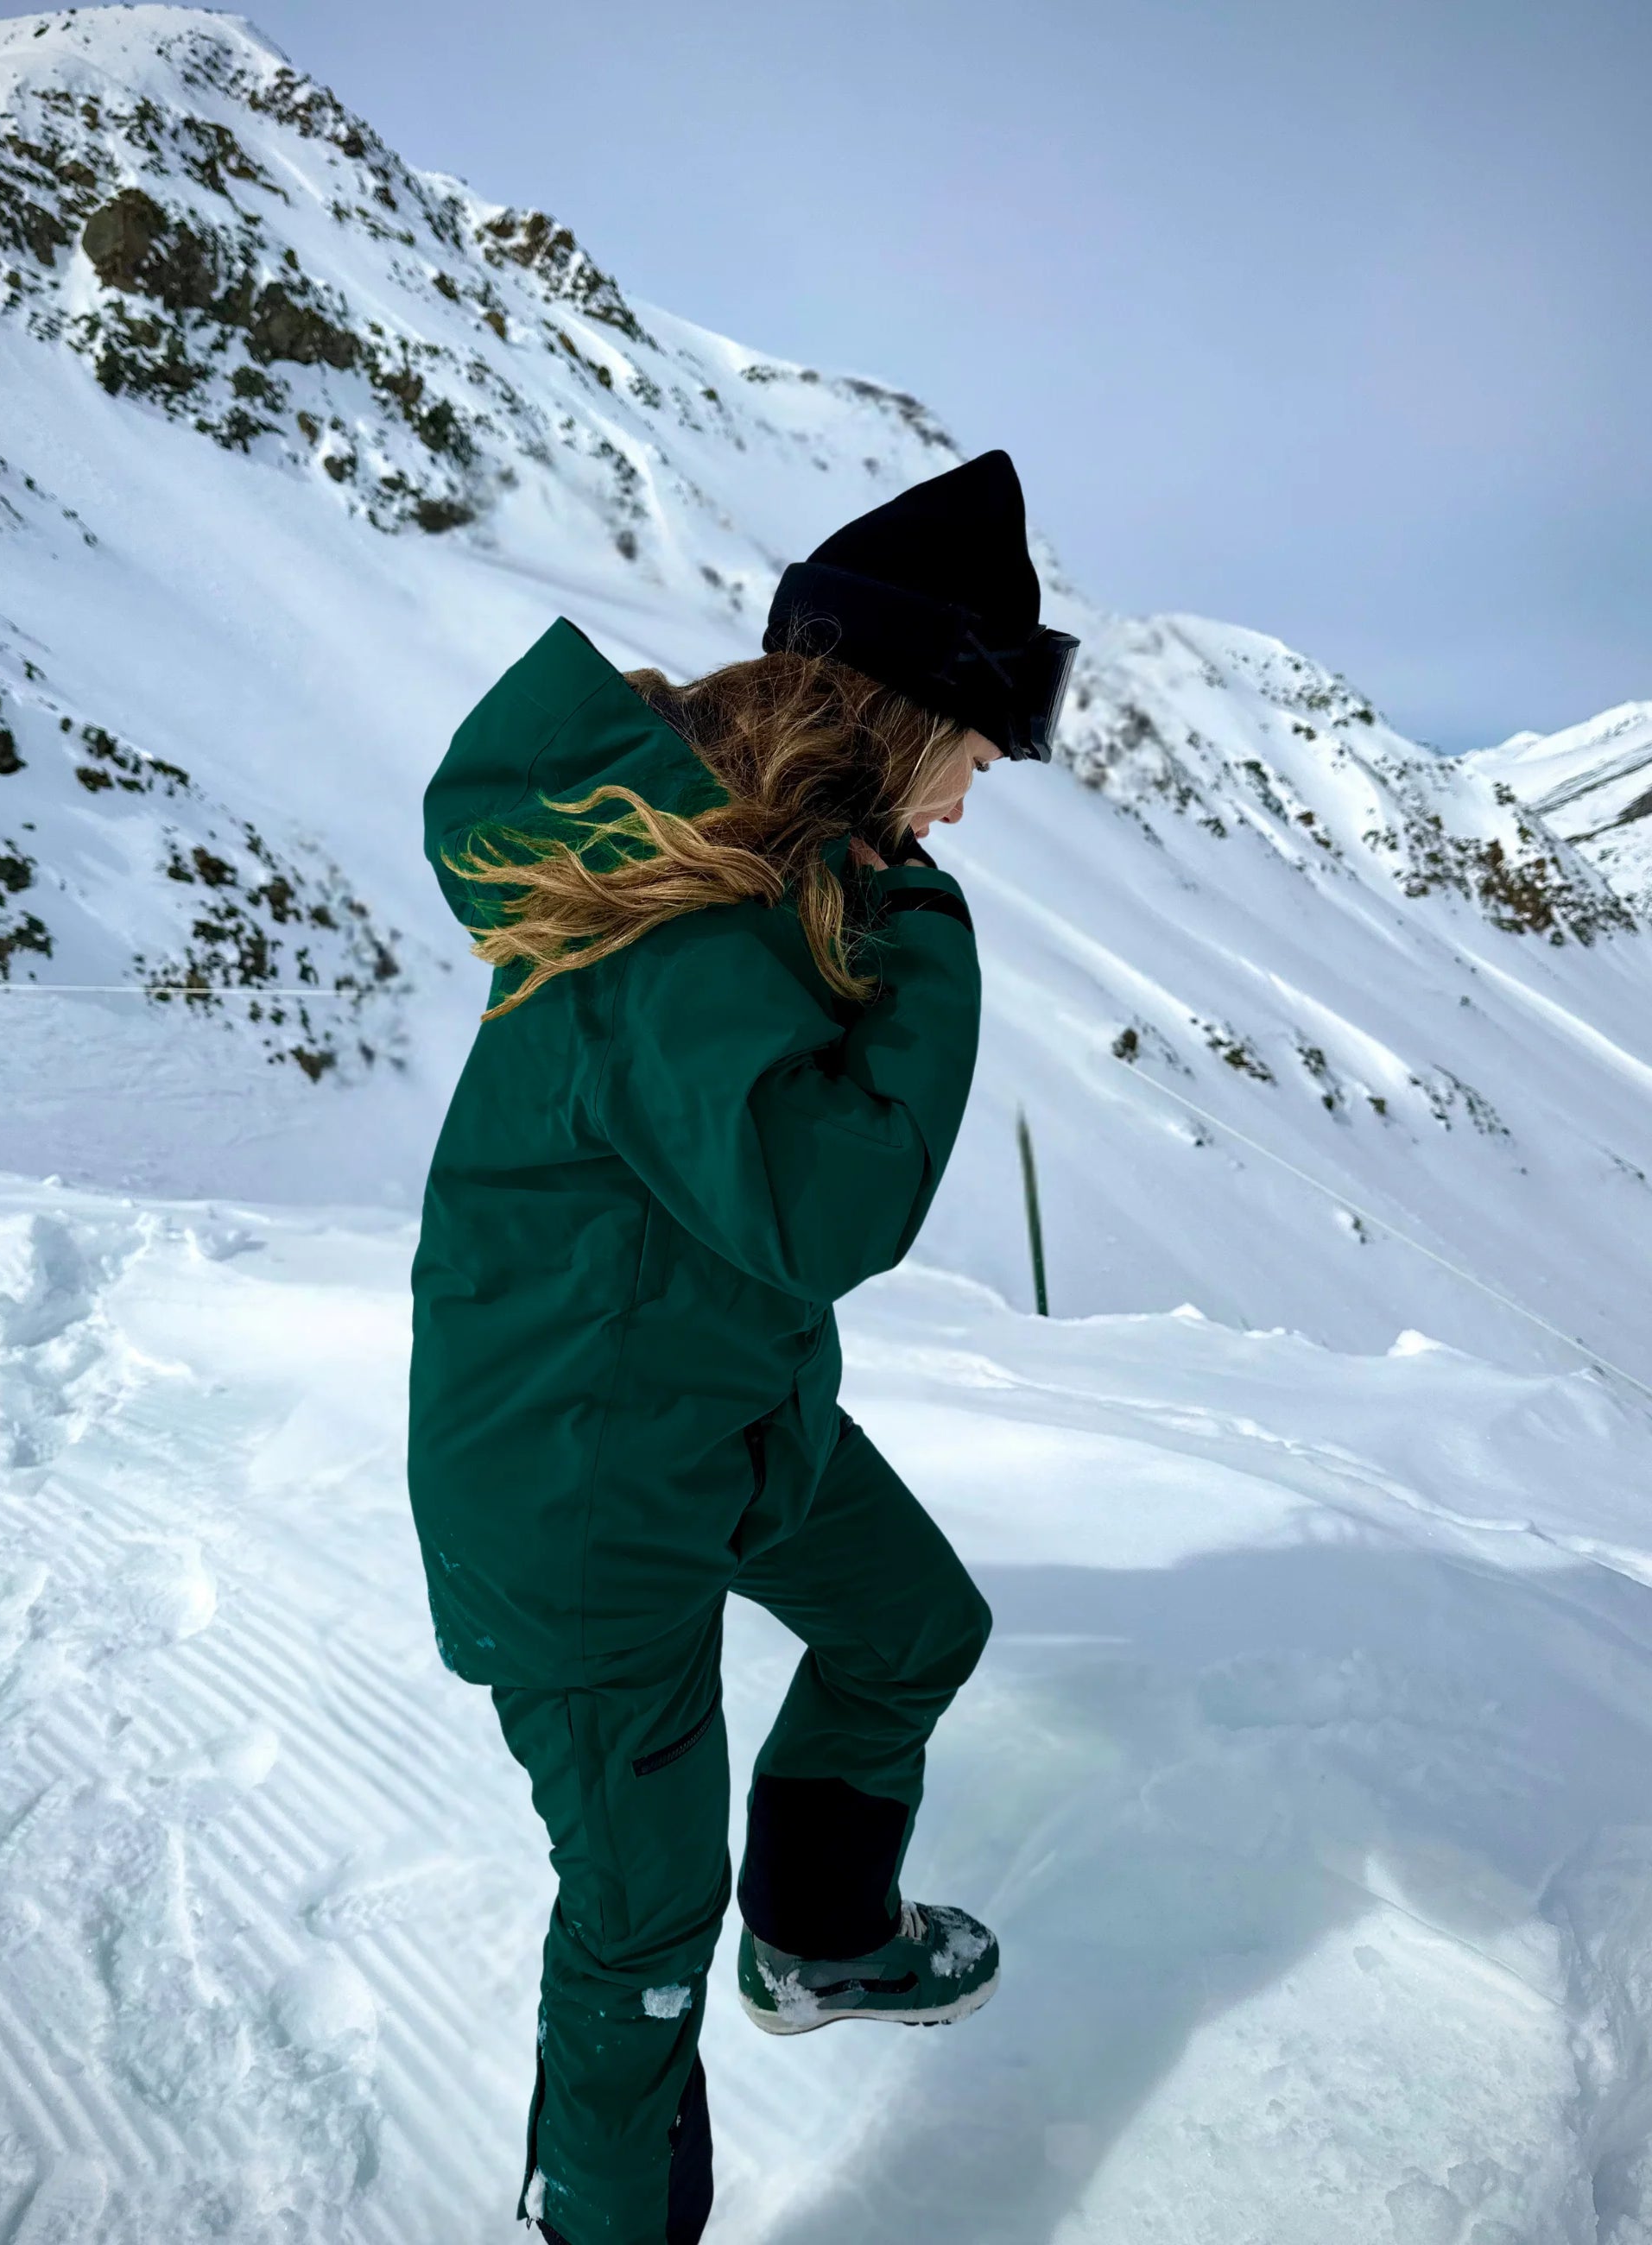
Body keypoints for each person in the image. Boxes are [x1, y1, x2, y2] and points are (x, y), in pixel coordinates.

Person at [407, 450, 1079, 2245]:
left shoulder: (753, 862)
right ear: (904, 719)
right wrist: (928, 942)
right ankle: (608, 2220)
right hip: (572, 1482)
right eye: (971, 763)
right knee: (635, 1921)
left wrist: (878, 892)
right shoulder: (687, 914)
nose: (964, 813)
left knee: (910, 1623)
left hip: (713, 1411)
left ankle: (821, 1937)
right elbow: (819, 1209)